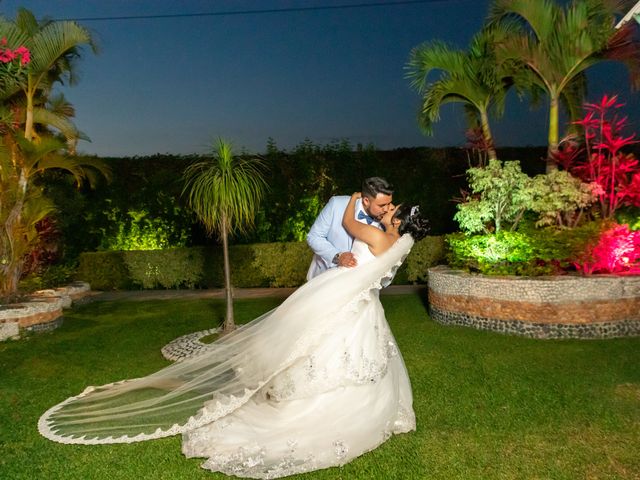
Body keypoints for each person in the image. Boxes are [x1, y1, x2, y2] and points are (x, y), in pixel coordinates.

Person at [38, 195, 429, 479]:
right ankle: (342, 408)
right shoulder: (398, 245)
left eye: (393, 211)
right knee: (347, 359)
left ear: (398, 222)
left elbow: (349, 225)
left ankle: (308, 412)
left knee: (319, 349)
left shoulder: (379, 238)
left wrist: (351, 200)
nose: (387, 211)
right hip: (362, 310)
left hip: (345, 303)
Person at [306, 176, 394, 280]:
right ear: (366, 200)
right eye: (382, 205)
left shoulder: (386, 222)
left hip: (358, 285)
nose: (387, 209)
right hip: (323, 278)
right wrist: (337, 256)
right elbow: (314, 236)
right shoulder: (337, 204)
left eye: (389, 203)